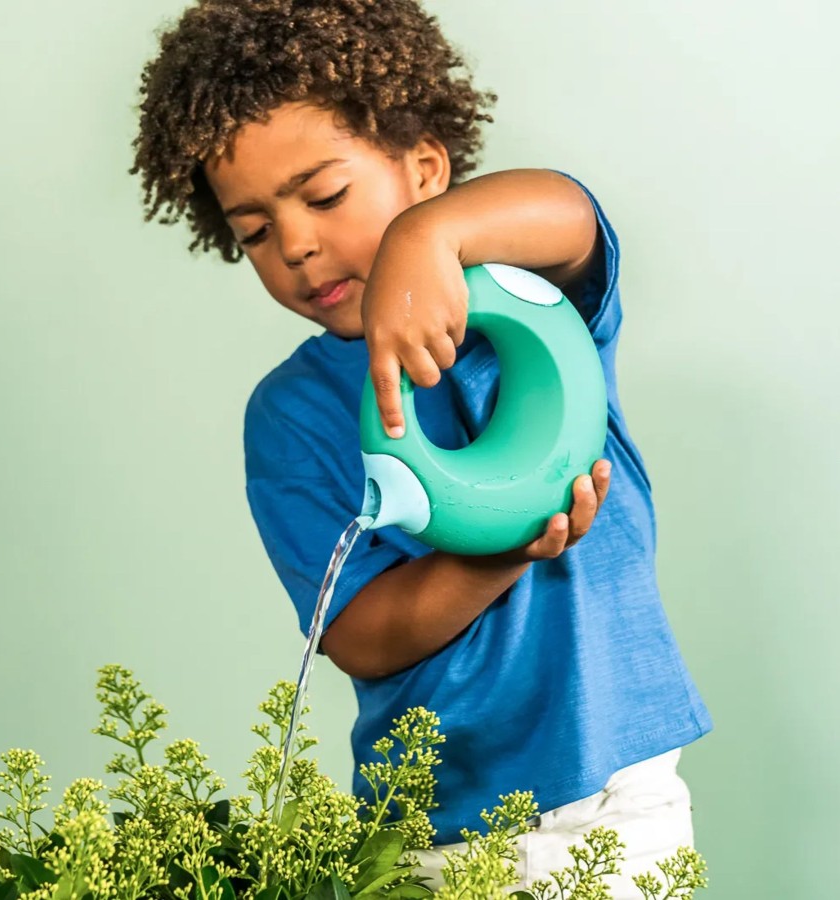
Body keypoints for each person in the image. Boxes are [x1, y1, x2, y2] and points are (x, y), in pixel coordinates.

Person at [130, 0, 712, 893]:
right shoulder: (292, 415)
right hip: (431, 828)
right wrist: (492, 558)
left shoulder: (530, 308)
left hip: (614, 806)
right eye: (252, 229)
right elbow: (359, 633)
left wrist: (427, 238)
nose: (295, 244)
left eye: (325, 196)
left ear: (425, 168)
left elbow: (572, 215)